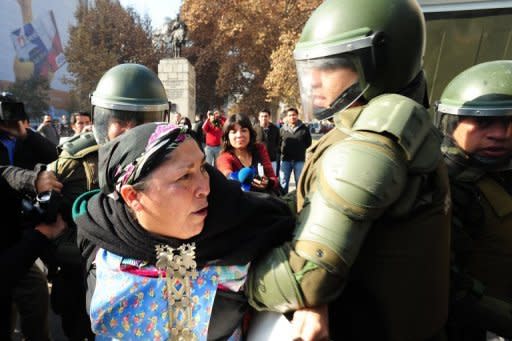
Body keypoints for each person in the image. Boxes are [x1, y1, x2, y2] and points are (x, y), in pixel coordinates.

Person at [245, 0, 451, 340]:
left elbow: (304, 279)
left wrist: (226, 273)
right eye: (311, 66)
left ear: (378, 61)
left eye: (330, 66)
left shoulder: (373, 139)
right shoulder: (389, 124)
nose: (312, 81)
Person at [74, 122, 294, 340]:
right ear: (132, 197)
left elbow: (303, 275)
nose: (205, 189)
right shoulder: (100, 236)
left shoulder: (241, 227)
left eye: (202, 168)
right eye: (184, 177)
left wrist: (308, 306)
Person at [43, 63, 170, 340]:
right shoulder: (75, 162)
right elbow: (47, 222)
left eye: (141, 122)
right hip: (83, 279)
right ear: (102, 120)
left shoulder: (172, 161)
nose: (131, 132)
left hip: (144, 284)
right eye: (120, 121)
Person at [435, 60, 512, 340]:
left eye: (509, 121)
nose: (499, 134)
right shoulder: (443, 184)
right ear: (452, 123)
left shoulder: (499, 175)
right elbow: (443, 281)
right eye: (482, 122)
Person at [0, 91, 62, 340]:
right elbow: (3, 173)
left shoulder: (24, 140)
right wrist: (32, 179)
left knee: (36, 295)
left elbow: (56, 156)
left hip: (18, 234)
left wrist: (27, 135)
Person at [216, 113, 279, 194]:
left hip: (264, 201)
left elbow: (274, 179)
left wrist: (268, 182)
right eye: (234, 132)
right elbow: (227, 175)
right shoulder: (224, 157)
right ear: (227, 136)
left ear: (250, 133)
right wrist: (239, 177)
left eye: (244, 130)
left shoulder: (260, 149)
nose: (239, 135)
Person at [279, 107, 312, 193]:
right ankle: (283, 201)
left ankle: (298, 202)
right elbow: (278, 143)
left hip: (299, 160)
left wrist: (300, 149)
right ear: (287, 117)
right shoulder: (282, 129)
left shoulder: (304, 128)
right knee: (283, 182)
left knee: (300, 182)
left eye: (294, 115)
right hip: (285, 160)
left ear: (297, 116)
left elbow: (308, 143)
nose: (292, 117)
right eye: (290, 115)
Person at [254, 109, 281, 174]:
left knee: (272, 180)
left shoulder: (275, 129)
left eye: (266, 116)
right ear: (259, 118)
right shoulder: (254, 129)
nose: (264, 118)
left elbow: (278, 142)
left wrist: (275, 151)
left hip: (272, 160)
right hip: (259, 160)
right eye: (262, 116)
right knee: (261, 181)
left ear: (269, 117)